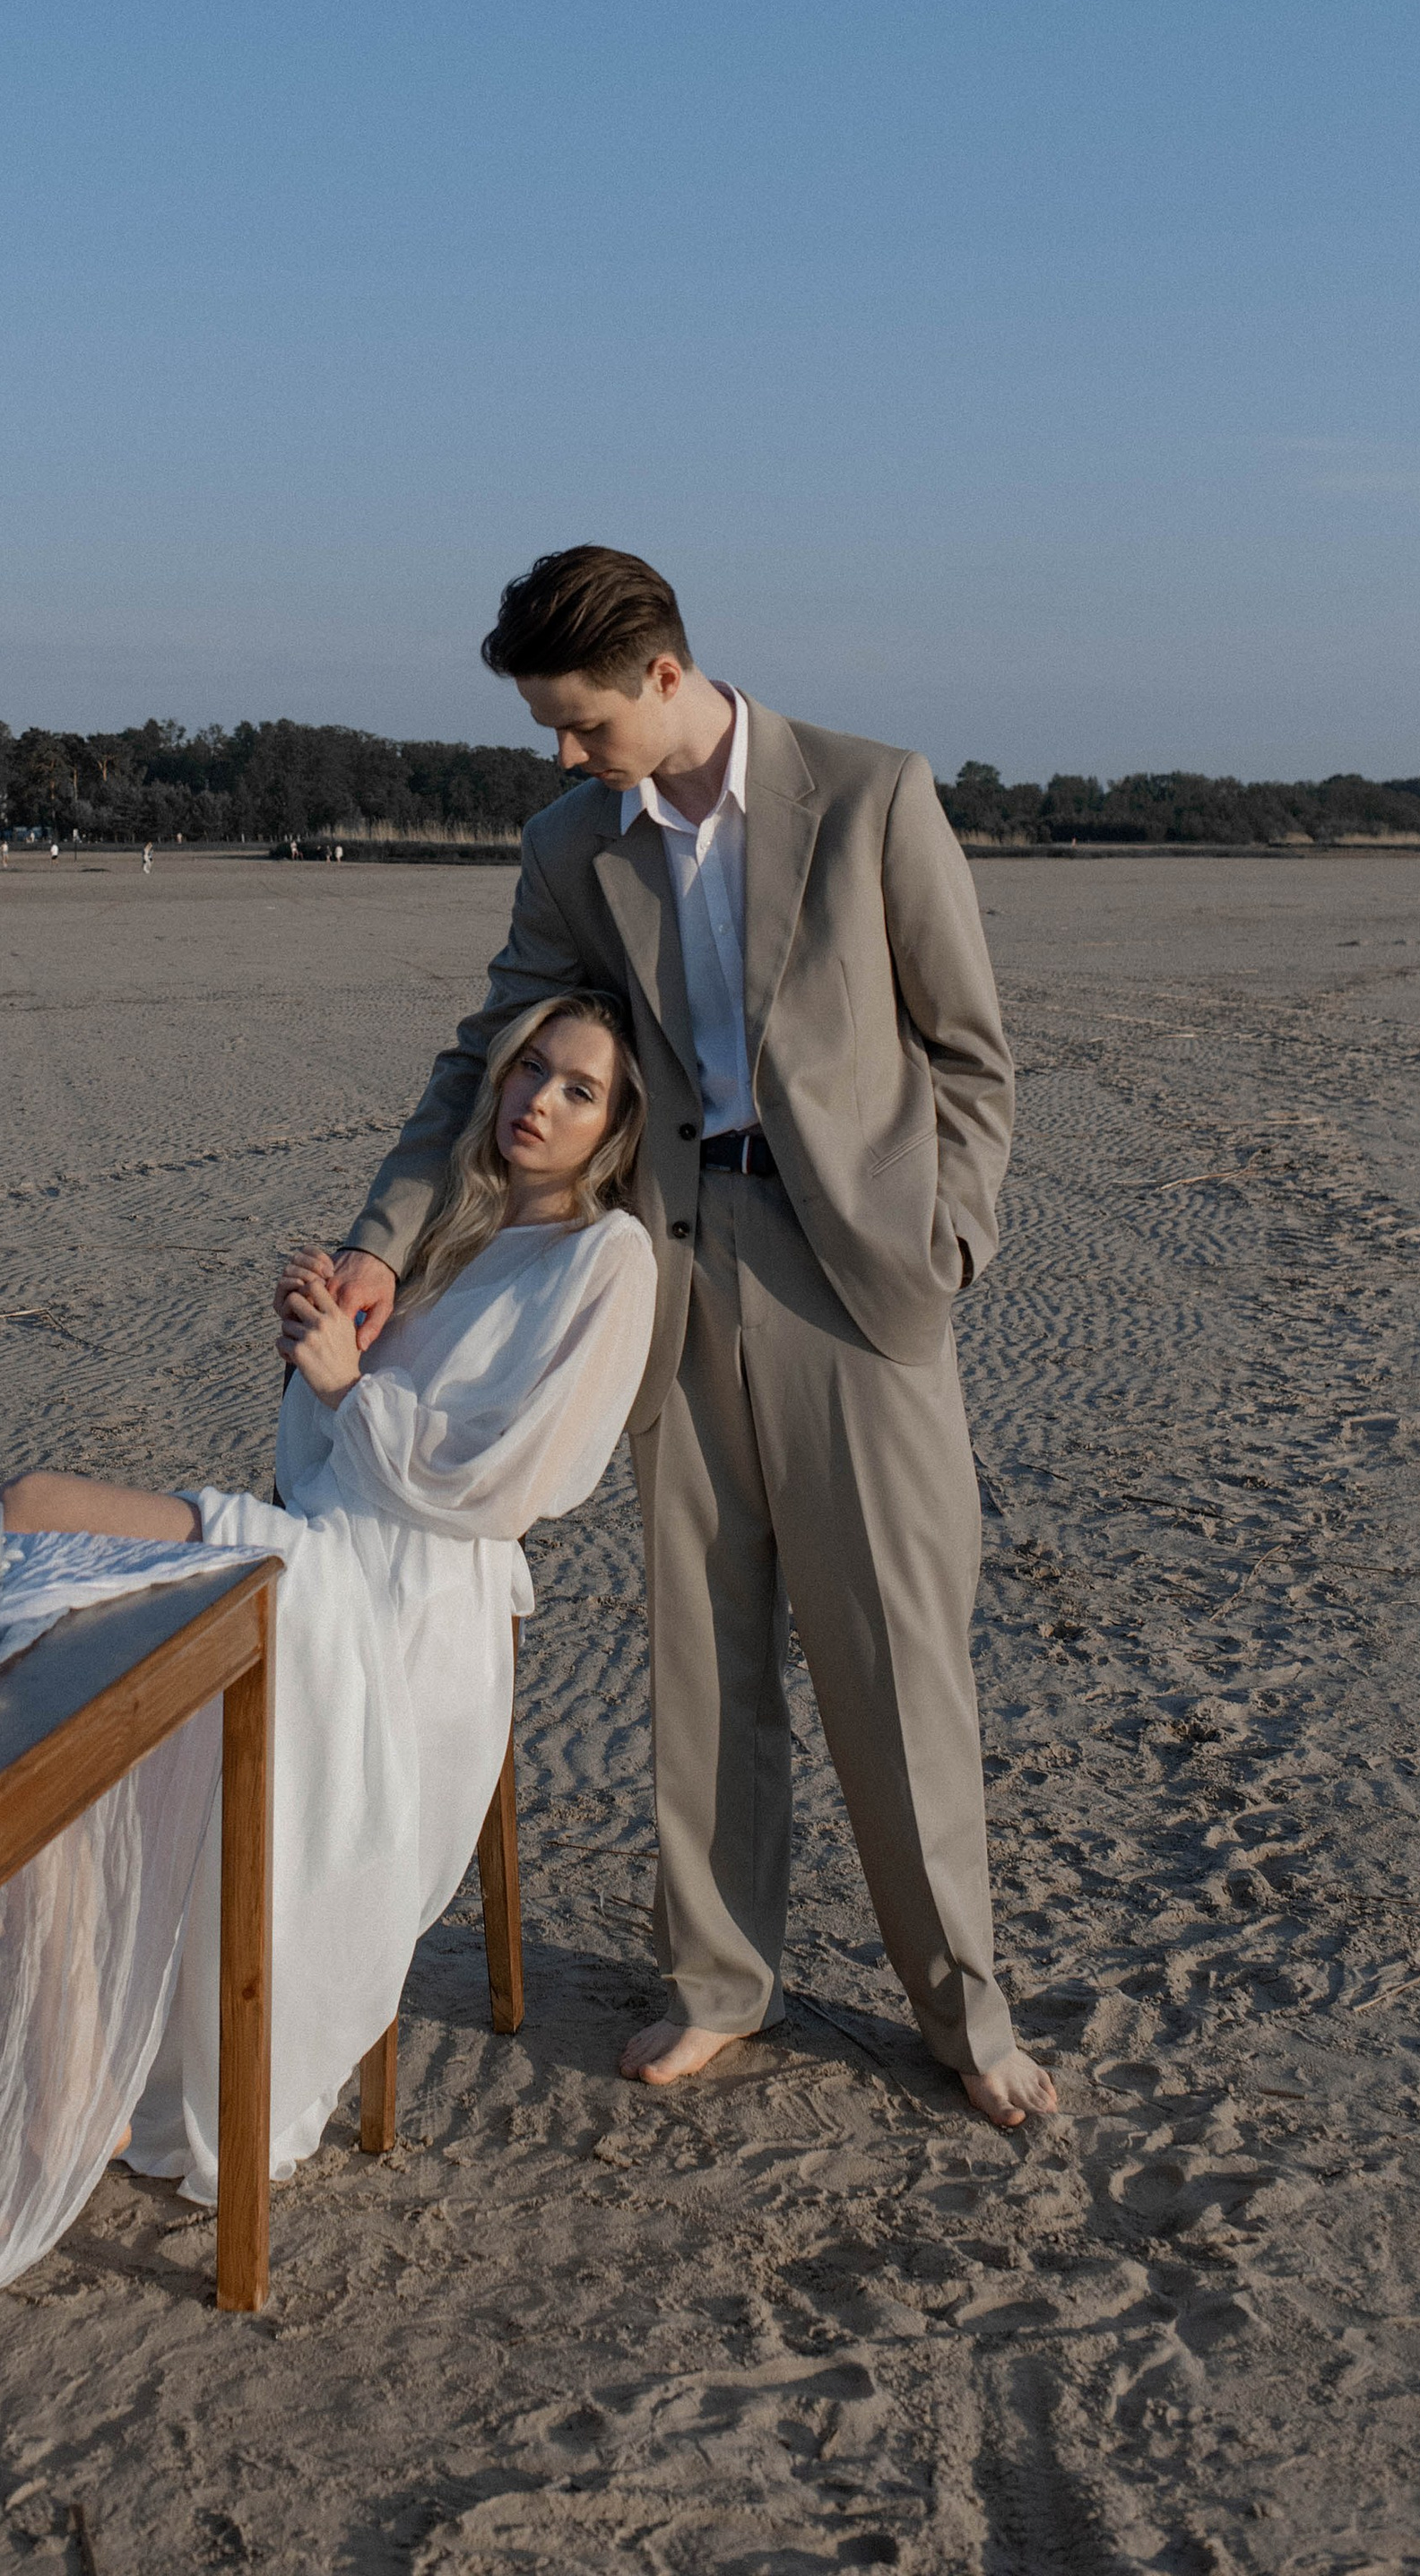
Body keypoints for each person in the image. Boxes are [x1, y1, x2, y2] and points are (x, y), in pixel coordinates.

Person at [326, 547, 1055, 2130]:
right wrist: (381, 1246)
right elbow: (483, 1064)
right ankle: (721, 1985)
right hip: (663, 1265)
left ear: (665, 674)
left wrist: (952, 1240)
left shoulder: (872, 796)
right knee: (701, 1645)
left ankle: (961, 2011)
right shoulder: (573, 845)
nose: (563, 756)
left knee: (895, 1654)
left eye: (580, 723)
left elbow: (973, 1055)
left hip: (862, 1277)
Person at [4, 989, 657, 2195]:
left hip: (400, 1600)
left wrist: (353, 1390)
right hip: (324, 1542)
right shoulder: (453, 1239)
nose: (540, 1102)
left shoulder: (606, 1259)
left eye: (581, 1091)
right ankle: (87, 2033)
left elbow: (506, 1485)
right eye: (530, 1071)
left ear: (618, 1129)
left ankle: (115, 2051)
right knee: (37, 1539)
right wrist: (320, 1352)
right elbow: (323, 1454)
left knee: (39, 1515)